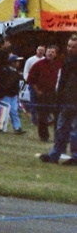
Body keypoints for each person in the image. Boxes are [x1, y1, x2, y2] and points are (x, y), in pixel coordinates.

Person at [38, 35, 77, 165]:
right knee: (62, 128)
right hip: (66, 100)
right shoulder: (68, 61)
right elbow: (62, 82)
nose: (70, 49)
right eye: (69, 46)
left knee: (73, 130)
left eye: (73, 47)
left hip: (73, 101)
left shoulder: (72, 62)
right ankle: (55, 155)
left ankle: (74, 156)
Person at [28, 45, 59, 143]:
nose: (50, 53)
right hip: (43, 94)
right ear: (46, 53)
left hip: (55, 95)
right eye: (49, 51)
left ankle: (58, 137)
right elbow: (31, 79)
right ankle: (44, 136)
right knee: (42, 117)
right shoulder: (38, 64)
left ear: (56, 54)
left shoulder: (59, 65)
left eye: (52, 52)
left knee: (58, 116)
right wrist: (37, 91)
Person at [0, 41, 24, 133]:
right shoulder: (5, 71)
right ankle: (0, 126)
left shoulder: (15, 72)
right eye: (17, 61)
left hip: (13, 94)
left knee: (14, 111)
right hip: (5, 94)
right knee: (3, 110)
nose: (18, 63)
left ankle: (17, 127)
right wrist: (0, 93)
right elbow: (2, 83)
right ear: (12, 63)